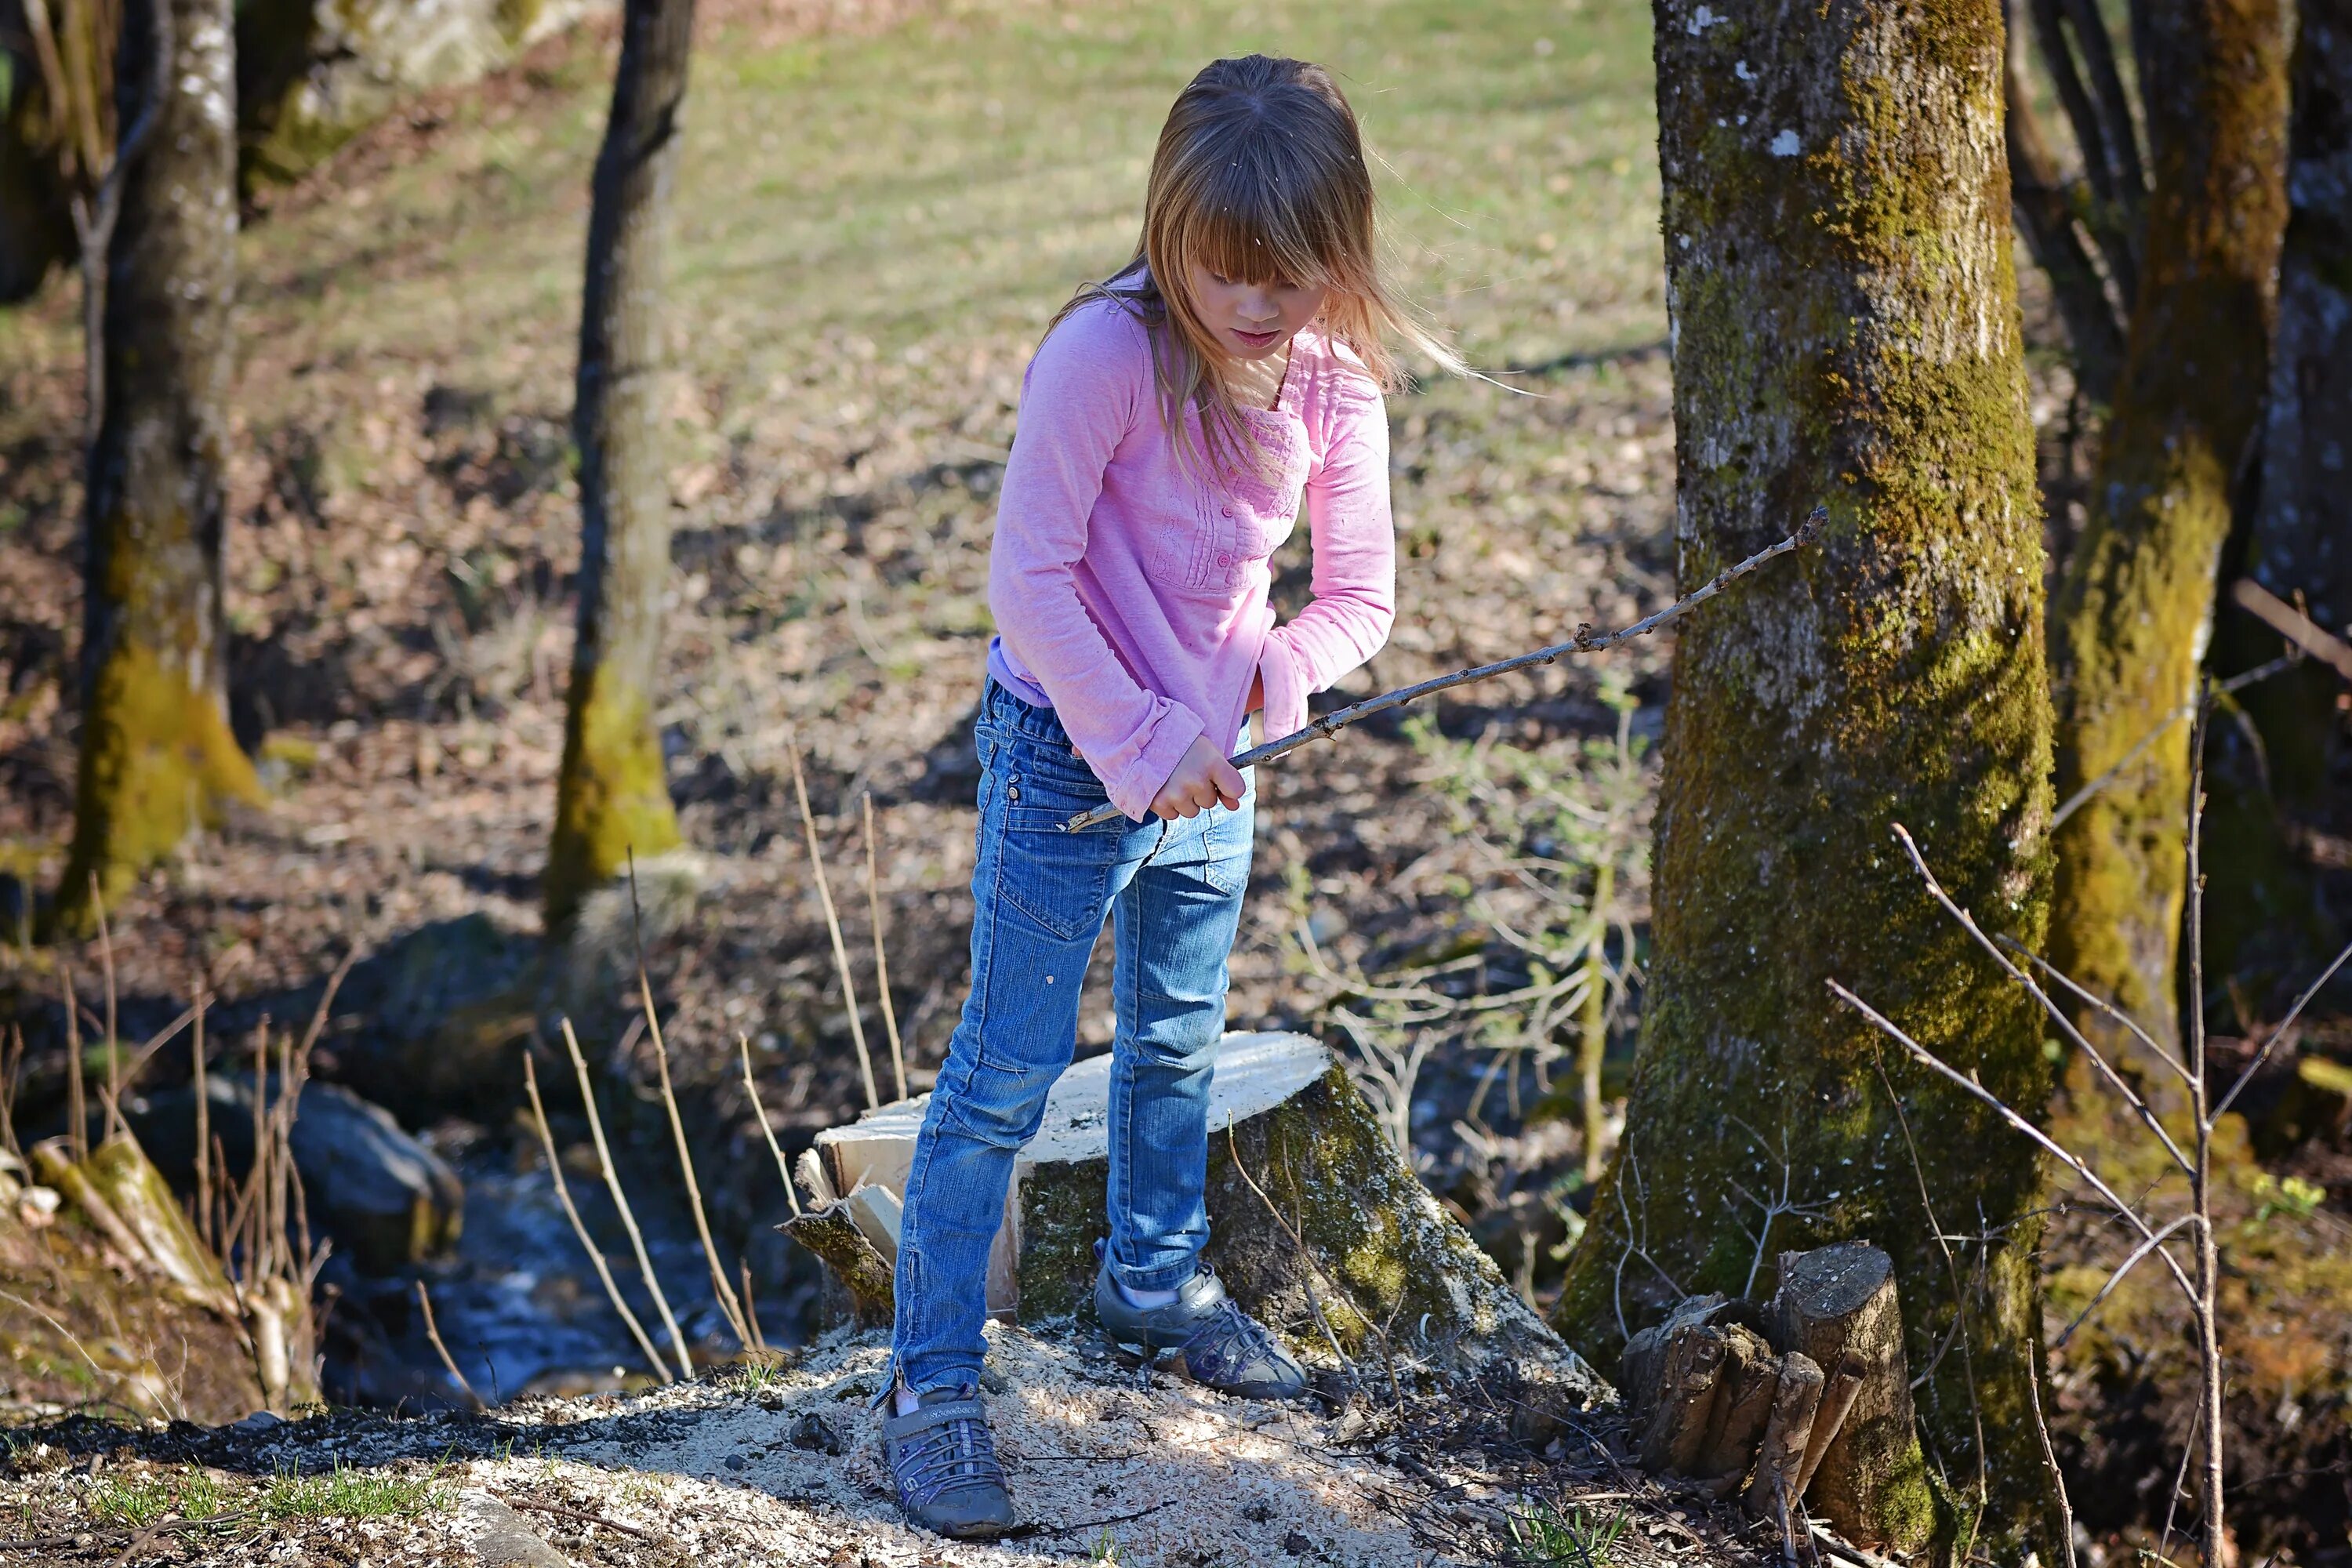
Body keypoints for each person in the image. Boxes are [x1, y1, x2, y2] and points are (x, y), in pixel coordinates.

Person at [877, 53, 1456, 1539]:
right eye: (1225, 272)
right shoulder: (1103, 356)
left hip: (1224, 767)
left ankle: (1153, 1275)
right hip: (1070, 757)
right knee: (1005, 1071)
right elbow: (1029, 577)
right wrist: (1139, 740)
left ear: (1343, 248)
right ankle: (932, 1387)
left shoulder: (1333, 376)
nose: (1258, 305)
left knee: (1181, 1038)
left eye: (1294, 273)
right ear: (1166, 228)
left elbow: (1362, 593)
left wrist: (1279, 674)